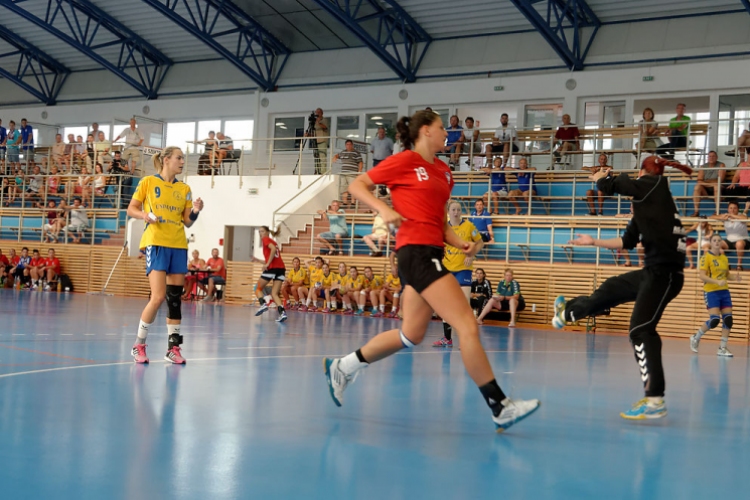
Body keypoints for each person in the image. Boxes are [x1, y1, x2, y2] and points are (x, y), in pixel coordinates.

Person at [323, 110, 540, 432]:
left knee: (411, 335)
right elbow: (358, 184)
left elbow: (437, 220)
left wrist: (458, 242)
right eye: (441, 128)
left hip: (431, 251)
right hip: (416, 254)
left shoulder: (444, 171)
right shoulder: (404, 161)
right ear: (425, 131)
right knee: (467, 324)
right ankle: (500, 406)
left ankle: (344, 365)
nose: (447, 134)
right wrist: (384, 208)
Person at [551, 155, 692, 420]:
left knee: (640, 330)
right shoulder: (646, 204)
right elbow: (627, 241)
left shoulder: (654, 185)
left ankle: (654, 400)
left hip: (666, 275)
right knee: (612, 287)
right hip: (653, 273)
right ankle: (569, 311)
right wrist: (593, 241)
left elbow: (613, 186)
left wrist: (600, 178)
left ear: (643, 173)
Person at [126, 146, 204, 365]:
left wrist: (196, 211)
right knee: (158, 296)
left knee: (174, 300)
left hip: (178, 245)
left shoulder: (185, 188)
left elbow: (187, 221)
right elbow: (131, 208)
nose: (182, 162)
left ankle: (173, 349)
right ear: (167, 160)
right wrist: (144, 215)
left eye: (183, 159)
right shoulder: (148, 182)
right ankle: (138, 345)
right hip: (156, 243)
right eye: (179, 158)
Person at [433, 200, 483, 347]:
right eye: (453, 209)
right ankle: (447, 338)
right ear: (448, 211)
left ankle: (466, 337)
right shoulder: (444, 228)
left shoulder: (469, 226)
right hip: (447, 269)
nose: (456, 212)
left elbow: (480, 243)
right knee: (445, 304)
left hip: (463, 269)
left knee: (464, 303)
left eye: (458, 209)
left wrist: (471, 255)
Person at [690, 234, 741, 357]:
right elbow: (702, 276)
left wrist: (735, 277)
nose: (717, 242)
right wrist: (716, 282)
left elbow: (727, 275)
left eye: (719, 240)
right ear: (711, 243)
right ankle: (696, 337)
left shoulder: (724, 258)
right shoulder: (706, 257)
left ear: (721, 242)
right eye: (714, 240)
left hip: (724, 291)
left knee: (728, 320)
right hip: (711, 291)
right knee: (715, 320)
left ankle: (722, 348)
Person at [253, 226, 288, 322]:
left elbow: (272, 250)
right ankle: (282, 313)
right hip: (281, 269)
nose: (261, 233)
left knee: (257, 288)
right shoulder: (274, 242)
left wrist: (267, 264)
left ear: (267, 232)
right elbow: (273, 257)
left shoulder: (266, 239)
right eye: (259, 232)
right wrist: (259, 261)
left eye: (262, 231)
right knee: (274, 293)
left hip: (272, 269)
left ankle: (263, 304)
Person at [711, 201, 749, 270]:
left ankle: (739, 265)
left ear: (738, 209)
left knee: (739, 244)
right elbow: (712, 217)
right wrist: (722, 217)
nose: (732, 210)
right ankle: (726, 263)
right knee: (716, 244)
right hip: (729, 240)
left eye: (735, 208)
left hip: (743, 240)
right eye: (730, 208)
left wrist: (732, 216)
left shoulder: (741, 215)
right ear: (728, 209)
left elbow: (745, 219)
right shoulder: (726, 216)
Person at [690, 151, 726, 216]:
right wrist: (712, 182)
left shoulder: (721, 165)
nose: (711, 158)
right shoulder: (703, 166)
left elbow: (720, 180)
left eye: (713, 156)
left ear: (717, 157)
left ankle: (717, 211)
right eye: (710, 156)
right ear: (707, 158)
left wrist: (707, 182)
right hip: (706, 189)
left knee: (716, 186)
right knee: (697, 186)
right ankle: (696, 212)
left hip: (718, 189)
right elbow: (699, 181)